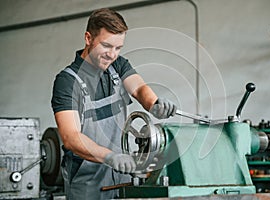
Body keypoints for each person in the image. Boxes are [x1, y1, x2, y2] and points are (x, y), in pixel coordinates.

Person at [51, 8, 177, 199]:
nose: (112, 54)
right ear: (88, 38)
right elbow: (71, 137)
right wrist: (109, 157)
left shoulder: (117, 66)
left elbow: (139, 89)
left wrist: (155, 104)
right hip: (86, 183)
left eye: (118, 48)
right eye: (106, 46)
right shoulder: (67, 82)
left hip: (122, 177)